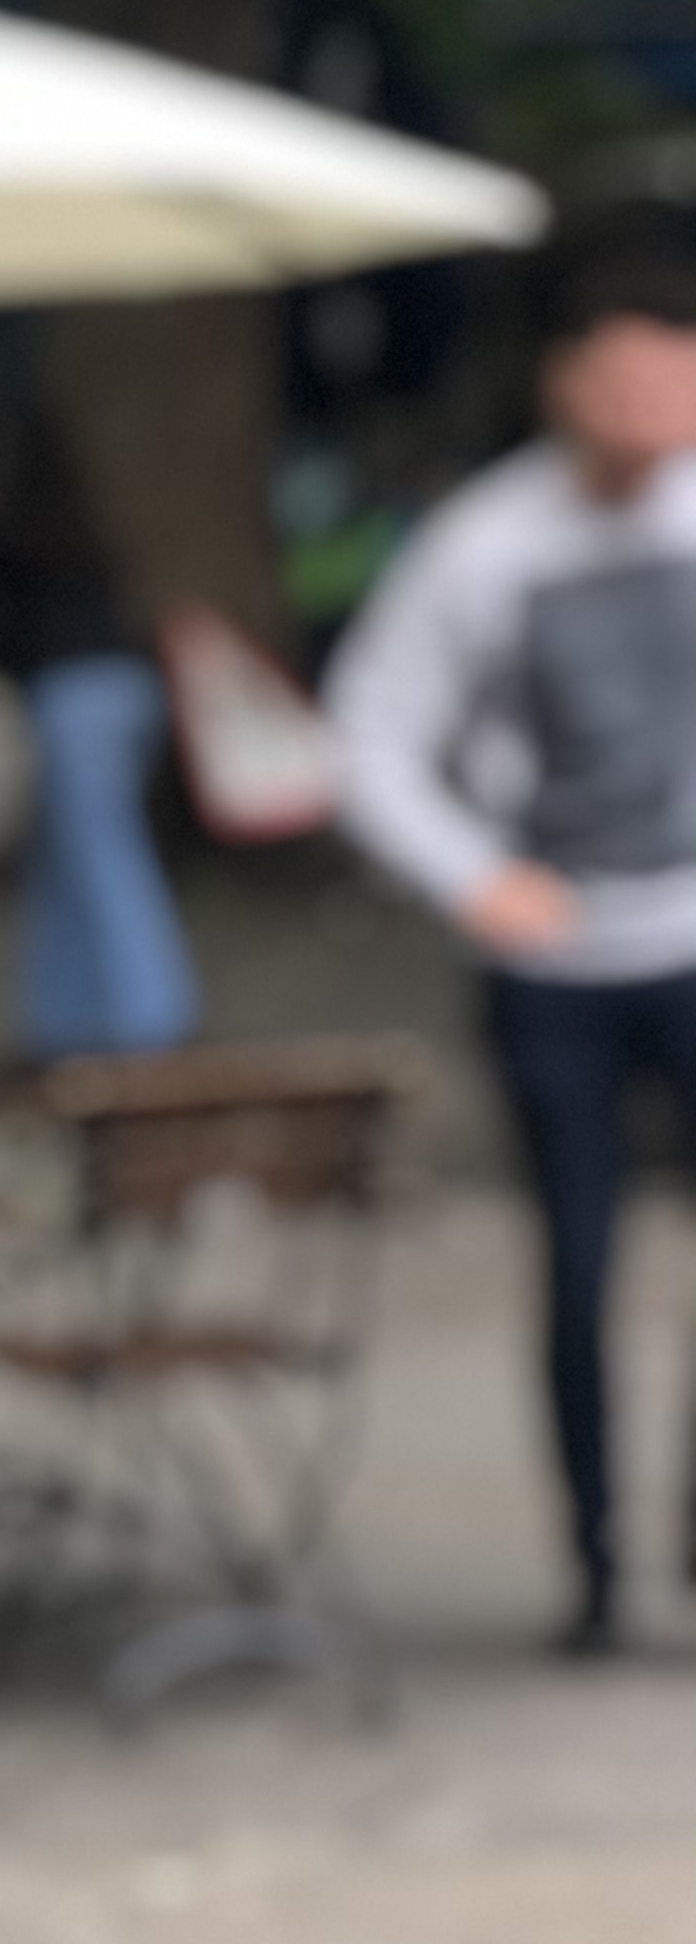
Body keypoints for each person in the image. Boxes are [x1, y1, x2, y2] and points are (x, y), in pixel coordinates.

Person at [329, 213, 696, 1654]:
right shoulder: (484, 548)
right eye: (627, 388)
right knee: (581, 1262)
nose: (653, 416)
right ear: (564, 385)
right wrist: (475, 877)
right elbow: (368, 739)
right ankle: (596, 1569)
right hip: (555, 963)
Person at [0, 408, 199, 1060]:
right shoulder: (54, 525)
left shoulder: (23, 535)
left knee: (101, 857)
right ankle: (65, 1024)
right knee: (66, 859)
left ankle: (152, 1021)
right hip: (105, 694)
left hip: (82, 700)